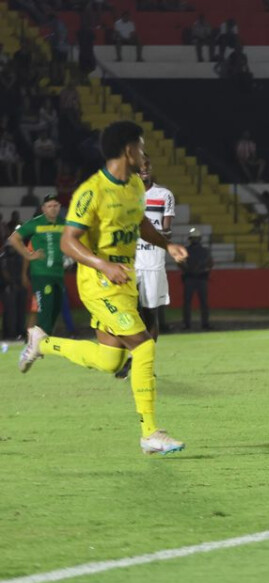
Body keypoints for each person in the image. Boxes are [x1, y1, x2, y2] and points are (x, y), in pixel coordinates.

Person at [18, 121, 188, 456]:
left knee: (111, 361)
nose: (143, 154)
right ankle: (150, 433)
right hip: (99, 284)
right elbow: (69, 242)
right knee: (143, 347)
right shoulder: (91, 191)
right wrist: (103, 265)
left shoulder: (135, 187)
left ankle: (42, 343)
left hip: (123, 282)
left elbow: (139, 224)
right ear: (128, 150)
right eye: (140, 147)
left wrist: (167, 246)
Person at [115, 156, 174, 379]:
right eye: (139, 168)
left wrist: (148, 232)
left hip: (152, 263)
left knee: (150, 314)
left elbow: (167, 231)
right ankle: (133, 357)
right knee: (129, 313)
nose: (143, 171)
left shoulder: (164, 195)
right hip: (129, 263)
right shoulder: (124, 195)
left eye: (147, 166)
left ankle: (144, 363)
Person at [6, 193, 65, 336]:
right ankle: (34, 342)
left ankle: (42, 340)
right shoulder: (36, 224)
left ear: (60, 207)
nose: (53, 209)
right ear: (43, 208)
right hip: (41, 274)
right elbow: (14, 239)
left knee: (55, 309)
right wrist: (28, 255)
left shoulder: (64, 224)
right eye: (49, 206)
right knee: (42, 309)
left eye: (55, 205)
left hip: (58, 273)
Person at [180, 227, 213, 330]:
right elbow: (210, 263)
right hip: (199, 278)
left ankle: (187, 324)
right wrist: (202, 269)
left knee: (188, 302)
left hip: (191, 278)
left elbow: (180, 263)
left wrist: (188, 270)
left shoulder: (186, 250)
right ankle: (204, 323)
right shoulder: (204, 251)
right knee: (202, 302)